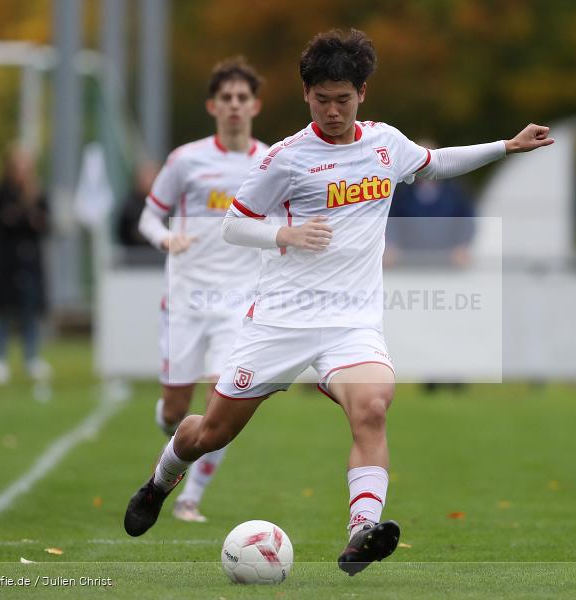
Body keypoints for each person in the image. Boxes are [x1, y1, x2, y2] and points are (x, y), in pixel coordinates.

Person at [123, 29, 552, 576]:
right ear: (307, 96)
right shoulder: (286, 158)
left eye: (342, 99)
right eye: (322, 99)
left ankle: (361, 532)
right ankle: (161, 482)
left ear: (362, 94)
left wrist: (506, 146)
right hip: (280, 319)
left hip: (351, 322)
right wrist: (285, 236)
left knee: (373, 405)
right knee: (210, 433)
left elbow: (436, 163)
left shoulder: (385, 144)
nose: (332, 110)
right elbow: (234, 224)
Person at [135, 57, 267, 522]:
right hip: (187, 302)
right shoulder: (186, 159)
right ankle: (169, 424)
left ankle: (190, 497)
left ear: (256, 106)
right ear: (213, 105)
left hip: (238, 305)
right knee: (177, 412)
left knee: (218, 408)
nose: (234, 105)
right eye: (226, 98)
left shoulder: (270, 162)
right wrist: (165, 237)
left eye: (242, 98)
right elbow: (149, 215)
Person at [0, 144, 51, 385]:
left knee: (30, 311)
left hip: (31, 262)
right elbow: (8, 223)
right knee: (4, 311)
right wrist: (26, 216)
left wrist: (27, 215)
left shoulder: (38, 193)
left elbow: (42, 225)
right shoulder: (1, 192)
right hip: (7, 263)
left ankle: (31, 358)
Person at [384, 138, 476, 270]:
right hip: (409, 264)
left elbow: (468, 219)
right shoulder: (401, 191)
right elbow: (390, 220)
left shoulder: (455, 191)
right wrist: (390, 245)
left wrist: (463, 245)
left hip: (448, 264)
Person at [117, 161, 158, 247]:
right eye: (145, 178)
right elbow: (122, 233)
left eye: (151, 177)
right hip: (136, 256)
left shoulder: (167, 204)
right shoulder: (130, 205)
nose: (148, 182)